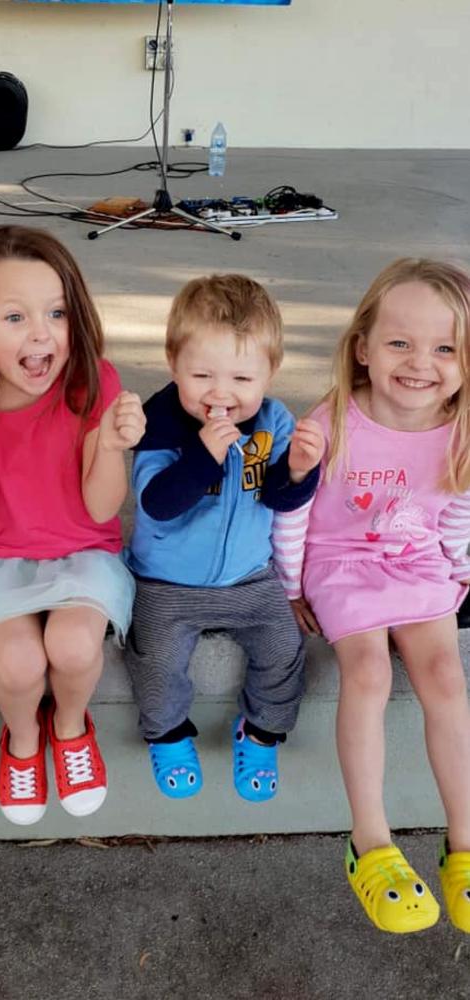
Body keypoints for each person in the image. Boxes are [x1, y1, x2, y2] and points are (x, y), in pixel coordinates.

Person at [0, 225, 145, 825]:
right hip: (2, 555)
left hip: (85, 552)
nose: (42, 334)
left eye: (57, 313)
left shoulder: (94, 380)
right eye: (15, 317)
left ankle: (70, 727)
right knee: (17, 664)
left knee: (73, 646)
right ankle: (23, 739)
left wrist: (113, 447)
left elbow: (102, 509)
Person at [283, 259, 470, 934]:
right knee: (365, 674)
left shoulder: (459, 426)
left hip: (417, 559)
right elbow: (294, 510)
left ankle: (465, 848)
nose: (422, 363)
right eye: (400, 343)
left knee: (446, 676)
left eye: (446, 348)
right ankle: (371, 843)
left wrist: (457, 570)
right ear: (362, 348)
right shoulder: (333, 419)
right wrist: (289, 586)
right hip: (339, 563)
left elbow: (455, 508)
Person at [124, 274, 325, 804]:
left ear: (269, 373)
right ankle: (166, 733)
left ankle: (260, 732)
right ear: (173, 365)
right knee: (156, 659)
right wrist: (202, 456)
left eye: (241, 377)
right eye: (202, 375)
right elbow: (156, 503)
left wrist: (300, 472)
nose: (221, 393)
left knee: (285, 648)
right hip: (168, 581)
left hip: (248, 577)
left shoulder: (272, 421)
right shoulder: (160, 424)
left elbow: (278, 498)